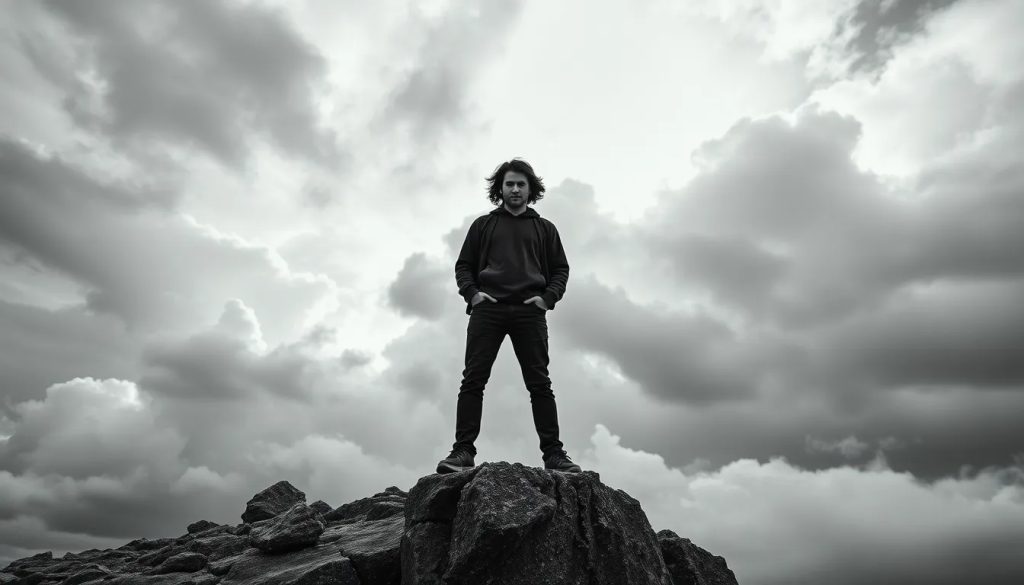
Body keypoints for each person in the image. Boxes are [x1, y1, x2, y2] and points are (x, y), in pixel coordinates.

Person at [436, 158, 582, 474]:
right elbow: (464, 266)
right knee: (473, 380)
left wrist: (547, 299)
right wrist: (473, 294)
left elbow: (560, 269)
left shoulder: (545, 229)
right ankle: (462, 452)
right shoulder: (483, 225)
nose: (515, 189)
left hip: (530, 312)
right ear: (500, 189)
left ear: (530, 189)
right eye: (509, 184)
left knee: (540, 384)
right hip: (488, 310)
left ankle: (554, 455)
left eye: (521, 184)